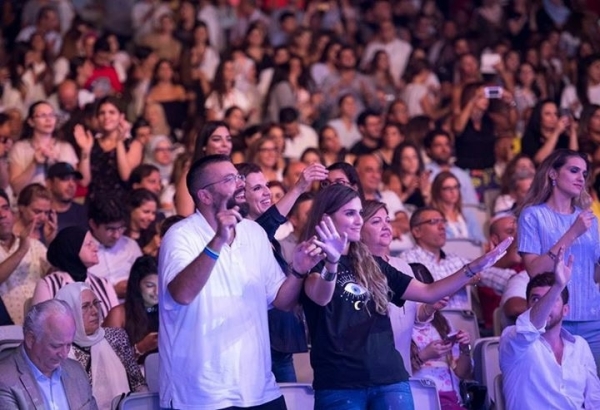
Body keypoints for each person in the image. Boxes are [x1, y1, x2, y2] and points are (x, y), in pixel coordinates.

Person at [299, 184, 511, 409]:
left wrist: (473, 267)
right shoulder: (311, 258)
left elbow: (429, 292)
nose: (358, 220)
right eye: (350, 213)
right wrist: (332, 262)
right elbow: (321, 296)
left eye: (360, 213)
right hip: (339, 382)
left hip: (390, 378)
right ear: (326, 218)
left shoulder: (374, 264)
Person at [158, 154, 320, 409]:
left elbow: (281, 300)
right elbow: (182, 294)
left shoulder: (254, 233)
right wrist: (217, 241)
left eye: (238, 177)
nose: (240, 184)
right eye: (229, 179)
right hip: (201, 395)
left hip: (259, 389)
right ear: (205, 196)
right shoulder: (181, 235)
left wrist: (298, 270)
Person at [517, 149, 600, 370]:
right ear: (553, 174)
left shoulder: (589, 219)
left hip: (593, 318)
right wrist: (573, 233)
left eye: (584, 173)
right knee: (559, 386)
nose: (581, 178)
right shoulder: (532, 215)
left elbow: (593, 274)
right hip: (553, 318)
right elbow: (535, 271)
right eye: (574, 170)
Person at [499, 249, 600, 409]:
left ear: (565, 310)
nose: (544, 305)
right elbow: (530, 327)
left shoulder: (580, 346)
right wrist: (557, 287)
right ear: (527, 307)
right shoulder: (513, 339)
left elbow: (594, 400)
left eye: (552, 299)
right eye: (536, 299)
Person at [400, 207, 516, 309]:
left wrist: (520, 281)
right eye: (434, 222)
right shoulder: (407, 260)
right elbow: (422, 299)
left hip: (462, 326)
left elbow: (493, 275)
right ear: (416, 231)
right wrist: (462, 280)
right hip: (430, 324)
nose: (442, 227)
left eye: (443, 221)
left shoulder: (456, 260)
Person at [55, 283, 148, 410]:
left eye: (96, 303)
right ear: (69, 313)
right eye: (85, 307)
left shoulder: (116, 337)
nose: (94, 311)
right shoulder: (59, 349)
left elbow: (138, 384)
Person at [0, 299, 98, 410]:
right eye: (56, 346)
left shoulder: (76, 370)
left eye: (68, 345)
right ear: (31, 339)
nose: (64, 355)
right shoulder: (4, 379)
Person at [410, 266, 472, 409]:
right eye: (418, 295)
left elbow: (462, 372)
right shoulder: (399, 323)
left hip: (449, 397)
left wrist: (465, 348)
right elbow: (394, 374)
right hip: (417, 398)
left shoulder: (442, 323)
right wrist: (424, 356)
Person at [32, 226, 118, 318]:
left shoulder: (103, 284)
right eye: (89, 244)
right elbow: (40, 323)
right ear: (72, 249)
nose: (96, 249)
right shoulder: (48, 284)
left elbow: (117, 320)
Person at [0, 188, 48, 325]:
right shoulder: (25, 245)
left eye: (5, 208)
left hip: (42, 325)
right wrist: (21, 251)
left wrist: (52, 243)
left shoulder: (35, 245)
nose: (2, 215)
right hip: (8, 330)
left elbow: (55, 277)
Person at [104, 255, 159, 364]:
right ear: (136, 285)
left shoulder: (167, 312)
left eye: (161, 285)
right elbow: (108, 361)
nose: (157, 291)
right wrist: (141, 347)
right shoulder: (119, 314)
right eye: (150, 285)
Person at [87, 198, 143, 299]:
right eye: (110, 229)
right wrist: (112, 291)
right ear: (93, 224)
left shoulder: (131, 246)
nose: (117, 235)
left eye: (121, 228)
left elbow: (145, 279)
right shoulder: (81, 251)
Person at [46, 162, 88, 232]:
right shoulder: (40, 214)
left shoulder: (85, 214)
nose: (71, 184)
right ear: (49, 183)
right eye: (65, 179)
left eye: (74, 180)